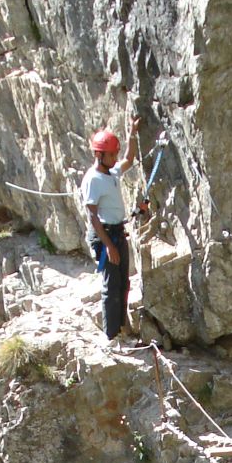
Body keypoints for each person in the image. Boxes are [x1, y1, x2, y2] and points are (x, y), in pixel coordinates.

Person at [81, 116, 142, 340]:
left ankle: (121, 327)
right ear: (99, 155)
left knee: (123, 283)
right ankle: (111, 335)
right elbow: (93, 216)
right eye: (111, 154)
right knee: (111, 287)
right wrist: (108, 246)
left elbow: (129, 158)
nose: (115, 158)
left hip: (116, 232)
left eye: (115, 153)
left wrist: (133, 134)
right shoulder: (93, 179)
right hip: (104, 235)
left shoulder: (111, 172)